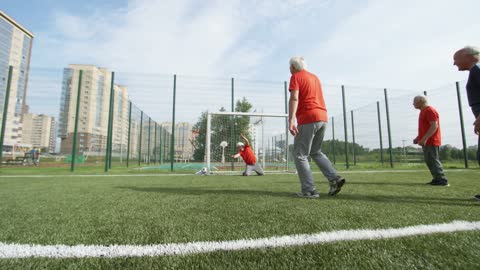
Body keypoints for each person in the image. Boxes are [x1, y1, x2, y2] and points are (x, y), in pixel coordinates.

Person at [288, 56, 345, 198]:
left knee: (300, 154)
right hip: (323, 117)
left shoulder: (296, 76)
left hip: (308, 117)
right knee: (315, 151)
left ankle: (309, 190)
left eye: (290, 67)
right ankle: (334, 179)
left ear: (293, 67)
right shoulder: (315, 77)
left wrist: (291, 120)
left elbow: (294, 97)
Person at [453, 46, 480, 200]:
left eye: (456, 58)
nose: (454, 63)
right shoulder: (475, 71)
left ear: (467, 56)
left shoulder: (477, 69)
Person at [413, 95, 448, 186]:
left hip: (432, 140)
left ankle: (442, 180)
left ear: (421, 101)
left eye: (414, 101)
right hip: (427, 141)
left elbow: (434, 126)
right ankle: (437, 179)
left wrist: (424, 138)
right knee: (429, 160)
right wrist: (418, 138)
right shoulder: (423, 111)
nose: (413, 104)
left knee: (433, 160)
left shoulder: (429, 110)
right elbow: (425, 127)